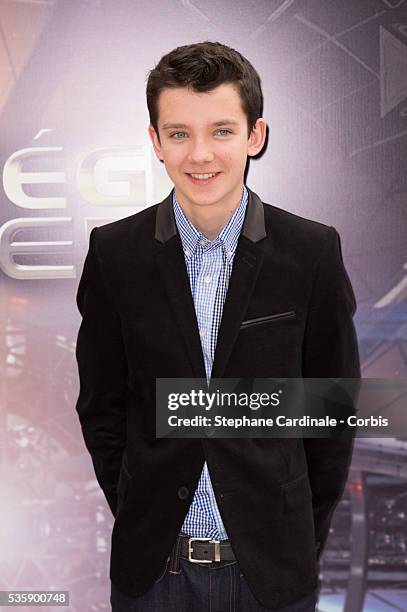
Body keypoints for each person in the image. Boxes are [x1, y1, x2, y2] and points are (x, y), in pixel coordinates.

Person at [75, 41, 360, 611]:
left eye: (222, 131)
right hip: (153, 575)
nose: (200, 154)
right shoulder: (115, 253)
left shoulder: (311, 251)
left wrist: (293, 536)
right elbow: (102, 406)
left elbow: (331, 411)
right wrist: (139, 506)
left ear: (256, 135)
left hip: (269, 577)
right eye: (179, 133)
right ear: (155, 141)